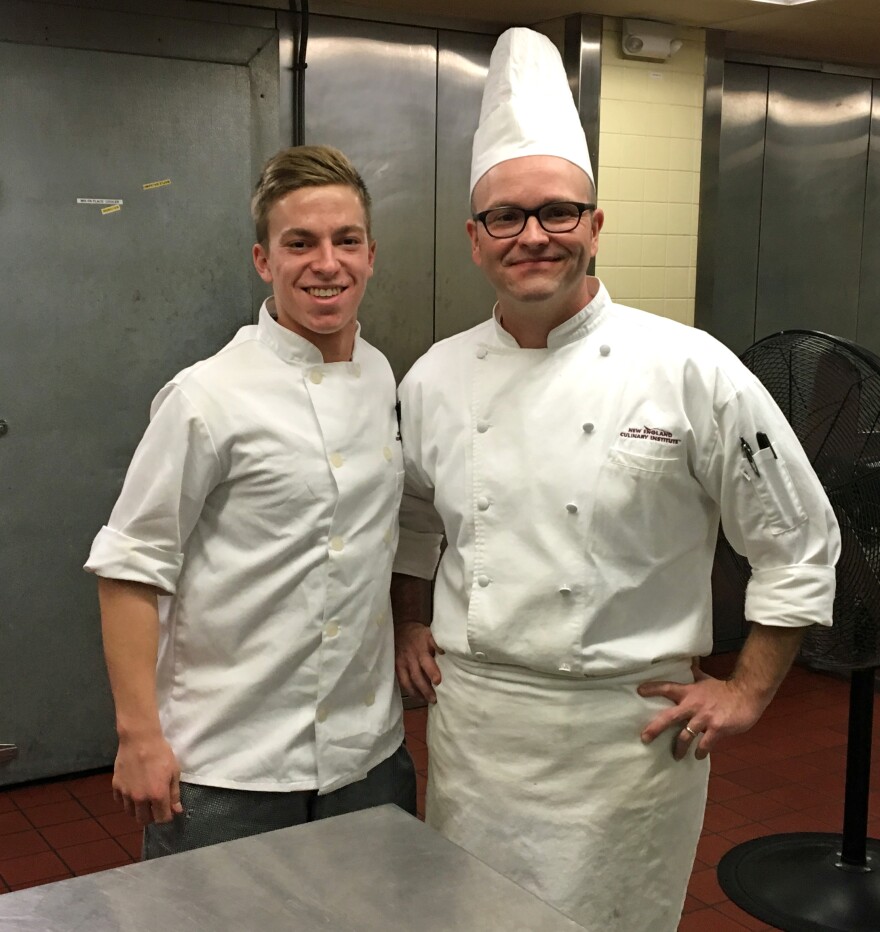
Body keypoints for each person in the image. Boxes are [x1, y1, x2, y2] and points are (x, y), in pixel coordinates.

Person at [391, 28, 840, 931]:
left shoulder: (690, 368)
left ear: (596, 225)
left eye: (558, 213)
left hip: (628, 738)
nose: (534, 237)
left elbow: (798, 538)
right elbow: (411, 517)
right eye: (507, 218)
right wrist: (408, 619)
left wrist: (747, 689)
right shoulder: (434, 375)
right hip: (478, 728)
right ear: (475, 241)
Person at [85, 144, 415, 858]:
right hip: (228, 772)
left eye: (345, 241)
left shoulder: (382, 374)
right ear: (264, 260)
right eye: (300, 243)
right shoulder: (206, 396)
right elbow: (130, 570)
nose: (327, 263)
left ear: (370, 254)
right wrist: (139, 736)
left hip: (368, 760)